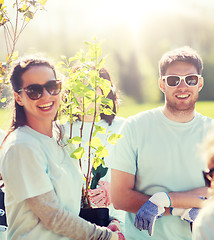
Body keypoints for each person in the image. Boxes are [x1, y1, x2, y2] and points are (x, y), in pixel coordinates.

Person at [0, 58, 124, 239]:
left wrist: (110, 220)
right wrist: (105, 236)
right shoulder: (22, 146)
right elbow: (53, 216)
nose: (46, 96)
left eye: (52, 86)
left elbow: (71, 203)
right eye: (34, 90)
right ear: (18, 97)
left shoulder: (61, 137)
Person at [110, 46, 214, 239]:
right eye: (173, 80)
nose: (182, 87)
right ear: (162, 84)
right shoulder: (134, 127)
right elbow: (119, 197)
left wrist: (163, 201)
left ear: (199, 83)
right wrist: (180, 209)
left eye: (190, 80)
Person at [63, 66, 126, 229]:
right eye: (79, 86)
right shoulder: (59, 130)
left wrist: (116, 191)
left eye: (92, 85)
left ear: (105, 91)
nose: (86, 92)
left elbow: (144, 176)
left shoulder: (124, 128)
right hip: (71, 222)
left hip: (118, 221)